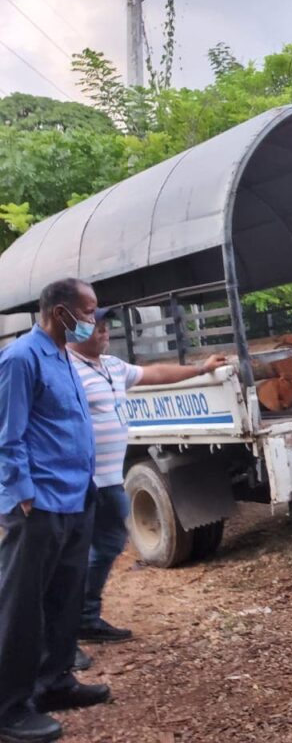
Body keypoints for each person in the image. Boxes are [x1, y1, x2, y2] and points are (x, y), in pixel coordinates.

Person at [69, 309, 229, 658]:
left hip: (110, 480)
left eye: (105, 327)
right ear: (73, 331)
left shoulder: (111, 365)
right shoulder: (62, 369)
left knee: (109, 546)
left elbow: (154, 373)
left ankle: (85, 617)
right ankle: (61, 641)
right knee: (70, 558)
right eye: (96, 328)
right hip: (78, 483)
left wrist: (200, 369)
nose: (104, 333)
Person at [0, 278, 110, 743]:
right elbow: (8, 435)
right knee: (21, 608)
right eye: (87, 312)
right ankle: (8, 708)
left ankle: (54, 682)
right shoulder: (21, 358)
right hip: (39, 503)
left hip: (76, 496)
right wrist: (23, 495)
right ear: (60, 312)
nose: (93, 321)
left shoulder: (65, 355)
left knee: (65, 598)